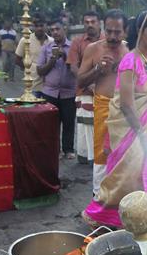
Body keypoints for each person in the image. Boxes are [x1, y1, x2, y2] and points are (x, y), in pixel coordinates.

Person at [83, 12, 147, 227]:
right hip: (131, 134)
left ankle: (139, 219)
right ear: (140, 31)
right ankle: (106, 218)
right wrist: (142, 137)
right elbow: (126, 104)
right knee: (123, 182)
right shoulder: (131, 61)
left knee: (142, 180)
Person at [78, 9, 128, 194]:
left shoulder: (129, 51)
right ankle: (98, 195)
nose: (113, 36)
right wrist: (98, 69)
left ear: (125, 32)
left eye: (117, 32)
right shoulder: (94, 49)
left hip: (125, 110)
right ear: (103, 29)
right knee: (101, 152)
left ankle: (119, 196)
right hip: (102, 106)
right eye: (109, 31)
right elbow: (80, 81)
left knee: (123, 153)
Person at [35, 18, 77, 159]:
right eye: (52, 30)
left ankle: (68, 149)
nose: (55, 32)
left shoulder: (73, 47)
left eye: (57, 29)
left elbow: (76, 69)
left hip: (69, 92)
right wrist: (52, 59)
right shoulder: (46, 48)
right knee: (52, 124)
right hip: (50, 92)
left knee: (69, 122)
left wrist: (65, 56)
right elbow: (40, 71)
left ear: (64, 29)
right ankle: (55, 149)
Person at [69, 11, 103, 167]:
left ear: (99, 23)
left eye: (93, 21)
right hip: (85, 91)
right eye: (87, 22)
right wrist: (89, 83)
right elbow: (74, 67)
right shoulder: (77, 42)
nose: (90, 24)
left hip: (105, 90)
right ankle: (90, 158)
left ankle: (99, 158)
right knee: (87, 125)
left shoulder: (107, 40)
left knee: (104, 125)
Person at [14, 13, 49, 94]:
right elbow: (17, 59)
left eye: (41, 25)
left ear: (46, 26)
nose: (39, 28)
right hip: (32, 85)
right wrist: (28, 68)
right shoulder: (25, 40)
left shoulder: (51, 41)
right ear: (33, 27)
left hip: (48, 87)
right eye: (36, 26)